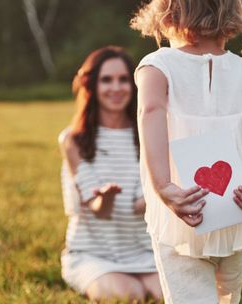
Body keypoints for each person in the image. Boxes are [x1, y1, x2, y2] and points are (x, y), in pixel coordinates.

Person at [131, 0, 242, 303]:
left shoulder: (158, 66)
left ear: (166, 15)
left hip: (183, 209)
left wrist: (165, 186)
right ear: (233, 15)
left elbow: (150, 112)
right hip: (235, 209)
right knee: (229, 297)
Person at [58, 46, 162, 302]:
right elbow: (99, 210)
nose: (116, 88)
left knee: (169, 295)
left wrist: (168, 191)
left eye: (123, 79)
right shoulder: (73, 140)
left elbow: (140, 206)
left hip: (144, 252)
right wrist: (105, 197)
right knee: (129, 295)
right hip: (93, 254)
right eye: (107, 80)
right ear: (92, 85)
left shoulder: (147, 135)